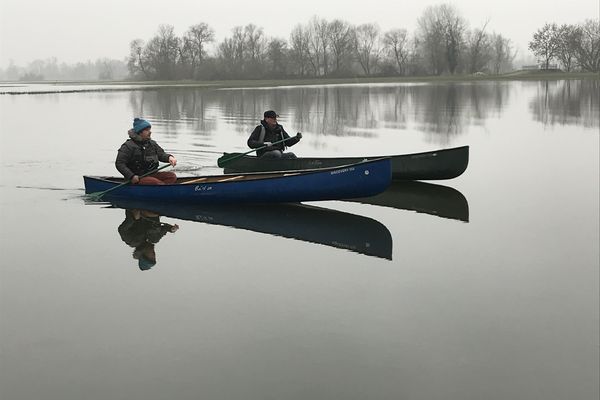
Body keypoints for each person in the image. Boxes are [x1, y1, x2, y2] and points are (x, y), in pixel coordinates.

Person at [116, 118, 178, 185]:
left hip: (152, 175)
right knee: (155, 183)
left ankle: (162, 190)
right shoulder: (128, 146)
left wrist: (170, 158)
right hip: (138, 178)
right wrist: (131, 176)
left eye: (149, 130)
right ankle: (163, 189)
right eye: (147, 130)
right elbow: (120, 164)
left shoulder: (152, 144)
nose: (150, 132)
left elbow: (161, 154)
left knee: (171, 176)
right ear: (140, 132)